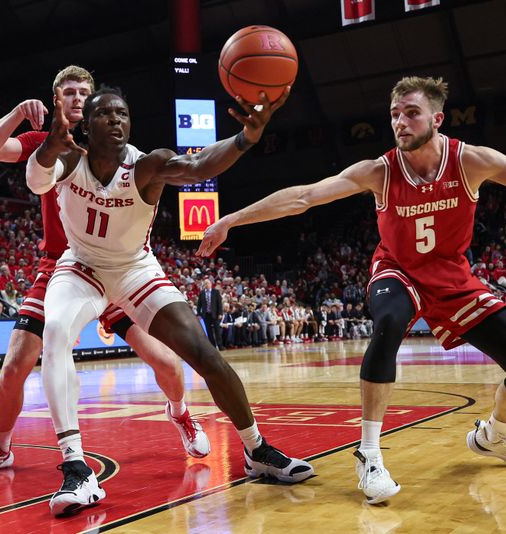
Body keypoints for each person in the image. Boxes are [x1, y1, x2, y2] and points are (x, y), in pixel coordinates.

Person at [196, 76, 506, 505]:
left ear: (436, 118)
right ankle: (368, 453)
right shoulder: (379, 170)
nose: (400, 123)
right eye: (394, 115)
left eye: (411, 113)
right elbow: (303, 196)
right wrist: (232, 219)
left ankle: (494, 434)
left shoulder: (472, 161)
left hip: (453, 277)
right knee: (387, 323)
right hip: (398, 270)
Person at [26, 85, 312, 516]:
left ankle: (256, 449)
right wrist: (49, 144)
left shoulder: (146, 165)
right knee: (56, 332)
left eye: (123, 114)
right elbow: (35, 179)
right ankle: (76, 467)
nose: (118, 121)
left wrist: (245, 138)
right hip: (82, 266)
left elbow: (197, 167)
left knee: (203, 353)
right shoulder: (69, 159)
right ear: (88, 124)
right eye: (107, 114)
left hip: (135, 269)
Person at [0, 66, 210, 479]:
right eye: (68, 92)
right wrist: (21, 113)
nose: (76, 99)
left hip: (117, 267)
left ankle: (180, 413)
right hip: (64, 266)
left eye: (83, 93)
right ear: (56, 98)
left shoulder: (116, 149)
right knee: (15, 363)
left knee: (165, 362)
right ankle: (0, 447)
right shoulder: (47, 143)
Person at [196, 278, 223, 349]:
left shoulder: (216, 292)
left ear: (211, 284)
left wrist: (220, 313)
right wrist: (198, 314)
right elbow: (199, 305)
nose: (206, 285)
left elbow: (219, 303)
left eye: (207, 283)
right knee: (209, 331)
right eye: (205, 283)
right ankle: (213, 346)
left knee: (217, 330)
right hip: (206, 315)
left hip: (215, 314)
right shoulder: (202, 293)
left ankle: (220, 345)